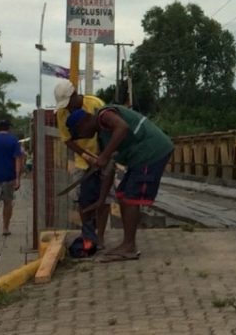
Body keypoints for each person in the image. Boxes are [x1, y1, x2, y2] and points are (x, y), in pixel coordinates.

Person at [66, 104, 174, 262]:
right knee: (122, 194)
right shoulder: (103, 138)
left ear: (85, 122)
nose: (82, 137)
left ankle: (129, 247)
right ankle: (127, 244)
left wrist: (103, 156)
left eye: (80, 132)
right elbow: (109, 169)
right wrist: (101, 199)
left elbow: (122, 128)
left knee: (131, 197)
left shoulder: (104, 115)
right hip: (139, 157)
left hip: (151, 152)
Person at [54, 79, 110, 248]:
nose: (68, 108)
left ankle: (100, 237)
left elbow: (107, 131)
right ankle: (87, 235)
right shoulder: (62, 114)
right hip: (83, 161)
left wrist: (103, 156)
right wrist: (86, 156)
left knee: (104, 197)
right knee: (82, 199)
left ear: (75, 95)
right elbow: (67, 139)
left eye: (69, 103)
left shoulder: (95, 104)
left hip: (103, 157)